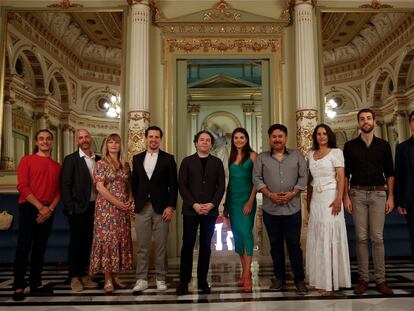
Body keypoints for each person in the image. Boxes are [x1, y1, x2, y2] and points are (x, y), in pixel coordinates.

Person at [343, 108, 395, 295]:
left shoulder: (384, 145)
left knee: (377, 238)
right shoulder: (349, 146)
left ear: (374, 121)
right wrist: (346, 197)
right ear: (358, 123)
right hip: (356, 194)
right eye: (362, 119)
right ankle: (363, 279)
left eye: (368, 118)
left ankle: (381, 280)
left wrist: (391, 197)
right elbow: (345, 174)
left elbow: (390, 173)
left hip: (378, 195)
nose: (365, 121)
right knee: (362, 238)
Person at [253, 124, 308, 295]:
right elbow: (256, 178)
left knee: (293, 245)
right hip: (271, 209)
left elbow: (304, 176)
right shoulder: (262, 158)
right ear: (270, 139)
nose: (277, 139)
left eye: (280, 136)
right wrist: (269, 194)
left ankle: (299, 279)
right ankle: (279, 278)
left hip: (293, 208)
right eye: (274, 136)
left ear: (285, 138)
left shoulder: (297, 155)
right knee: (275, 245)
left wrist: (293, 193)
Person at [13, 129, 61, 301]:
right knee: (24, 247)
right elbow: (22, 186)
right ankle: (18, 286)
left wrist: (50, 209)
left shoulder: (57, 166)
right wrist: (41, 207)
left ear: (52, 142)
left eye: (48, 139)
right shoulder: (27, 160)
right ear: (36, 142)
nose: (45, 141)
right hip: (29, 207)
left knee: (40, 248)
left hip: (48, 210)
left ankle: (36, 284)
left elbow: (58, 192)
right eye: (41, 139)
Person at [176, 130, 225, 295]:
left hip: (210, 211)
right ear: (196, 143)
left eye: (208, 140)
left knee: (205, 246)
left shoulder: (217, 162)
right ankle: (184, 282)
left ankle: (203, 281)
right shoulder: (187, 161)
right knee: (188, 245)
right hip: (191, 211)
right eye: (201, 140)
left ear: (211, 144)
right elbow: (182, 185)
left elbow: (221, 186)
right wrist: (194, 204)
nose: (204, 142)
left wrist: (212, 204)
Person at [131, 126, 178, 292]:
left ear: (160, 139)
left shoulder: (168, 159)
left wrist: (171, 206)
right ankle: (141, 279)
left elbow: (174, 185)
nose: (153, 140)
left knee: (161, 245)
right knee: (142, 246)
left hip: (162, 208)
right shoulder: (136, 159)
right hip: (142, 207)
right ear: (146, 138)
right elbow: (134, 184)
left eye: (156, 137)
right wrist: (134, 202)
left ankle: (160, 278)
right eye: (150, 136)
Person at [306, 124, 351, 295]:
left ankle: (331, 282)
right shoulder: (310, 154)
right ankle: (319, 279)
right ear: (315, 137)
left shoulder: (336, 153)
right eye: (318, 134)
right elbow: (310, 179)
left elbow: (341, 177)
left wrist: (339, 198)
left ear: (329, 135)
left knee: (329, 236)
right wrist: (309, 201)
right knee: (317, 236)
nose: (322, 136)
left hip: (331, 197)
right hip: (316, 199)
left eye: (324, 133)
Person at [89, 133, 133, 294]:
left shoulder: (125, 165)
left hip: (122, 210)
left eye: (117, 143)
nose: (114, 145)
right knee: (108, 241)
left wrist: (129, 200)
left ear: (121, 145)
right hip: (106, 209)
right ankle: (107, 278)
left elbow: (129, 186)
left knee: (119, 240)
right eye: (110, 142)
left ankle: (116, 276)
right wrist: (118, 203)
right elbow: (100, 187)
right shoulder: (101, 164)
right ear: (106, 145)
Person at [61, 128, 100, 292]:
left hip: (96, 208)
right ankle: (75, 277)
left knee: (90, 243)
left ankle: (85, 275)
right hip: (78, 208)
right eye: (80, 137)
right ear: (77, 141)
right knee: (77, 243)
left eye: (86, 137)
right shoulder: (71, 159)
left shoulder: (99, 159)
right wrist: (70, 209)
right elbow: (65, 185)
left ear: (90, 139)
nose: (84, 140)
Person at [223, 128, 257, 293]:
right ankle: (245, 271)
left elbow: (257, 181)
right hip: (233, 201)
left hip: (246, 200)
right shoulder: (231, 157)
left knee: (246, 234)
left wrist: (250, 201)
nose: (238, 140)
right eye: (235, 137)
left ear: (246, 138)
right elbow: (230, 183)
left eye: (241, 137)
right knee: (238, 236)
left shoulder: (253, 156)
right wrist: (226, 206)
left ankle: (247, 276)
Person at [395, 111, 414, 266]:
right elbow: (399, 175)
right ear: (409, 123)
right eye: (413, 120)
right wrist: (400, 201)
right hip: (410, 202)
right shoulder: (402, 148)